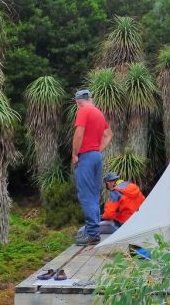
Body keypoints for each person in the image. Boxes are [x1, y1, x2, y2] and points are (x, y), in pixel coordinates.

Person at [72, 89, 113, 245]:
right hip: (96, 156)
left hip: (86, 157)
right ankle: (93, 230)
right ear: (90, 98)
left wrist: (75, 154)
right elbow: (109, 134)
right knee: (94, 194)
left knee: (86, 194)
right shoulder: (98, 113)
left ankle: (92, 234)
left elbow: (79, 133)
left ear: (78, 101)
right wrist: (97, 149)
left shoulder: (83, 111)